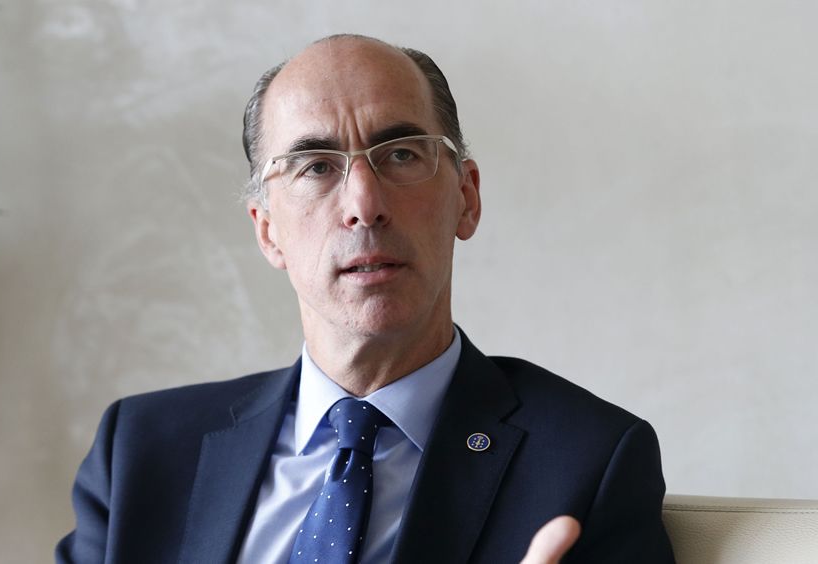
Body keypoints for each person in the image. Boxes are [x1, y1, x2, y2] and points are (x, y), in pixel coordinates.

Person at [56, 34, 674, 564]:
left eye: (400, 154)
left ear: (466, 198)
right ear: (267, 231)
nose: (363, 205)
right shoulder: (140, 452)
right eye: (316, 166)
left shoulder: (589, 462)